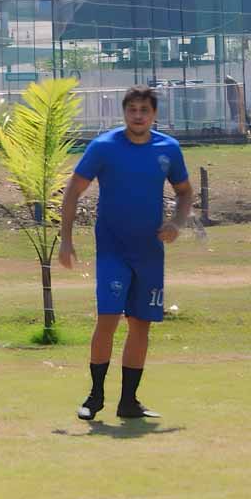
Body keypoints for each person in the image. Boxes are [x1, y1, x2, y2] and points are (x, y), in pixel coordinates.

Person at [60, 85, 193, 421]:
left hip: (149, 252)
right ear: (124, 112)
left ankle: (129, 402)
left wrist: (176, 223)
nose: (138, 116)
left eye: (144, 110)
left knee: (141, 324)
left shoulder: (169, 149)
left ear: (154, 114)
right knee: (107, 320)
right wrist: (66, 239)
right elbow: (73, 191)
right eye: (132, 109)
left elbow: (185, 193)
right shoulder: (104, 147)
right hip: (113, 250)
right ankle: (94, 397)